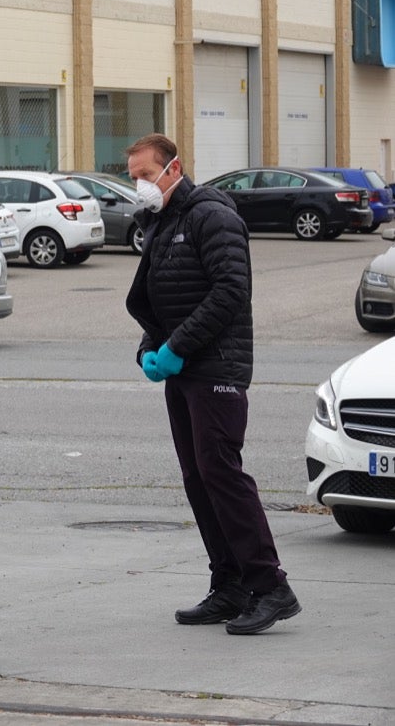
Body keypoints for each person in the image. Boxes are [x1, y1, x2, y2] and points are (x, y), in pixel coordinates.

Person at [124, 133, 301, 635]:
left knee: (220, 471)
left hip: (216, 367)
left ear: (173, 168)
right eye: (132, 176)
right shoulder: (161, 221)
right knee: (197, 477)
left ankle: (271, 587)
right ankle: (229, 585)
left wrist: (177, 347)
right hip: (183, 369)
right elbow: (161, 300)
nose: (138, 185)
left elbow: (230, 291)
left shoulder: (211, 215)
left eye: (144, 174)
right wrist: (150, 349)